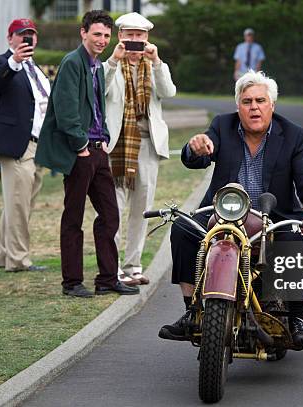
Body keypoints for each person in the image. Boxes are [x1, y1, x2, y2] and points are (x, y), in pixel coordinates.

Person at [159, 71, 303, 349]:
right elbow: (199, 157)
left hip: (273, 214)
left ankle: (296, 319)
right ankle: (191, 310)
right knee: (182, 230)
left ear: (271, 105)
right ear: (238, 106)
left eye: (260, 100)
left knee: (294, 239)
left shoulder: (293, 134)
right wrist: (195, 148)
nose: (254, 107)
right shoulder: (222, 126)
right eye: (247, 101)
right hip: (223, 212)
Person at [35, 10, 139, 298]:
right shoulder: (71, 62)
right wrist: (81, 145)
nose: (102, 40)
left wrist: (103, 136)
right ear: (83, 33)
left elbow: (96, 107)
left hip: (98, 150)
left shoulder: (97, 66)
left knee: (109, 214)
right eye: (97, 34)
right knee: (73, 217)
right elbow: (66, 110)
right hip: (80, 153)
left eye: (106, 35)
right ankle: (72, 283)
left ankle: (107, 279)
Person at [104, 12, 177, 286]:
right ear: (120, 36)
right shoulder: (109, 65)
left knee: (142, 209)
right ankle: (111, 269)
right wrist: (114, 60)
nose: (135, 41)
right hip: (118, 146)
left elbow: (168, 91)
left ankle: (133, 265)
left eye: (140, 36)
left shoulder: (156, 65)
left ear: (147, 38)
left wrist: (156, 61)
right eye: (129, 35)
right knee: (113, 209)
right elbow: (102, 90)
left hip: (148, 145)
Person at [0, 19, 49, 272]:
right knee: (19, 205)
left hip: (38, 144)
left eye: (31, 34)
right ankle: (19, 260)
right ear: (10, 39)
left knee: (19, 203)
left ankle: (3, 255)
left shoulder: (36, 68)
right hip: (16, 145)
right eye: (21, 35)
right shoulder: (1, 62)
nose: (26, 39)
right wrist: (14, 62)